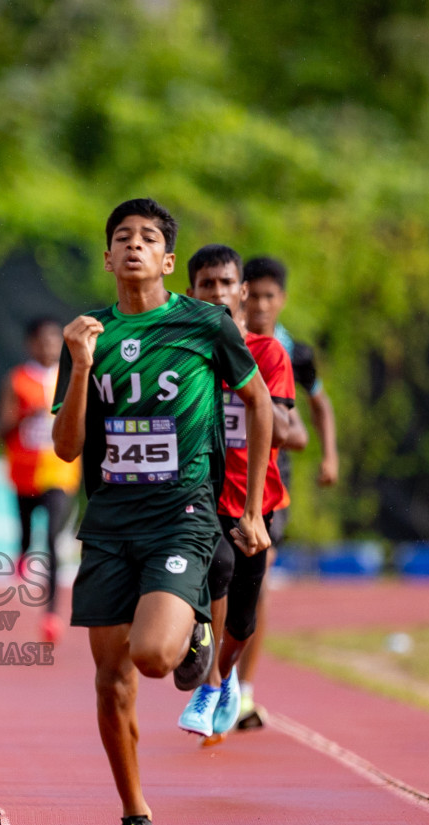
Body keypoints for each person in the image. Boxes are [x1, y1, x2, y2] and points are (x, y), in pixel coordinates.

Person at [51, 198, 273, 825]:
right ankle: (134, 815)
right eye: (122, 237)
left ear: (168, 260)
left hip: (182, 513)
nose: (134, 246)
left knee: (152, 657)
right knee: (111, 679)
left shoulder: (204, 323)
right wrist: (83, 363)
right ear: (108, 256)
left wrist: (254, 507)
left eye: (148, 238)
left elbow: (257, 403)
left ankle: (196, 624)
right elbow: (64, 448)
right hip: (110, 520)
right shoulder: (86, 336)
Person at [184, 245, 307, 741]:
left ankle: (228, 676)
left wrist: (246, 384)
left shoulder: (271, 352)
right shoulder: (186, 351)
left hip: (257, 499)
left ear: (243, 293)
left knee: (244, 607)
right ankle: (205, 670)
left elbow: (283, 430)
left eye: (226, 285)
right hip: (198, 493)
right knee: (217, 568)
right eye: (206, 286)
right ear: (190, 293)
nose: (217, 294)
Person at [234, 256, 338, 730]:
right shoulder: (224, 343)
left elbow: (316, 409)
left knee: (258, 579)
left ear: (283, 300)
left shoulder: (294, 354)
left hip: (273, 481)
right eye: (251, 294)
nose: (259, 304)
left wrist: (328, 455)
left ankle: (245, 692)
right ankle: (214, 676)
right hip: (222, 475)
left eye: (268, 296)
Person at [0, 317, 81, 643]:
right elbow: (1, 428)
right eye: (41, 341)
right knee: (27, 533)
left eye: (53, 340)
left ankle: (50, 614)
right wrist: (25, 415)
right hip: (24, 471)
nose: (48, 346)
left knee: (52, 542)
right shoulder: (18, 380)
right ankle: (21, 556)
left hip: (60, 470)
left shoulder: (71, 377)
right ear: (31, 344)